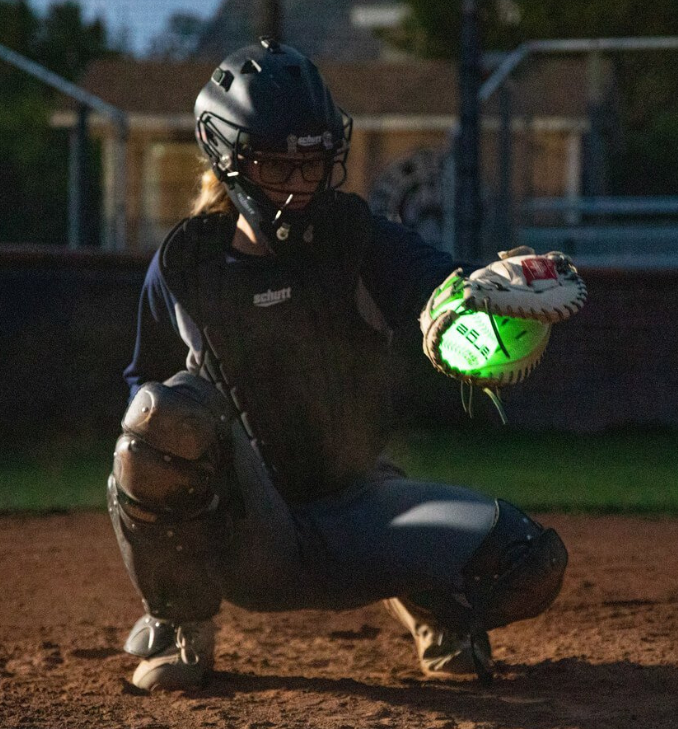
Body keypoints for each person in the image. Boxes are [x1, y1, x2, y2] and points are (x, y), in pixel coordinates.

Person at [108, 38, 568, 692]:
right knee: (160, 416)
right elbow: (139, 399)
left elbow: (438, 288)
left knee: (529, 561)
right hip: (247, 534)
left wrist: (483, 302)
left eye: (314, 165)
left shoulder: (355, 237)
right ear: (228, 159)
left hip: (359, 505)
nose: (299, 188)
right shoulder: (185, 265)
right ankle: (181, 622)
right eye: (276, 167)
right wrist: (183, 491)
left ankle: (431, 597)